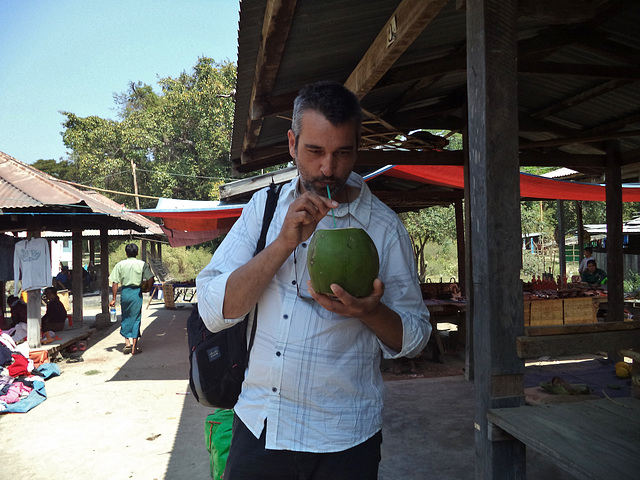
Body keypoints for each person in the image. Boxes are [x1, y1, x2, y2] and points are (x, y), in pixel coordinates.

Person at [196, 80, 431, 480]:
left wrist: (369, 313)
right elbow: (214, 312)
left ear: (358, 148)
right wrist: (283, 243)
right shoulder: (264, 209)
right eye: (315, 151)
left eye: (343, 153)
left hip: (346, 438)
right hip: (261, 426)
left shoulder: (384, 228)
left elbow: (415, 338)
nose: (328, 168)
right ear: (292, 144)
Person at [109, 243, 154, 355]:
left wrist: (114, 298)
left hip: (125, 293)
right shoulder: (141, 264)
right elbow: (151, 278)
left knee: (125, 316)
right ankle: (134, 347)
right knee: (136, 318)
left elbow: (115, 283)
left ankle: (127, 343)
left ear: (126, 253)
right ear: (137, 253)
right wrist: (148, 289)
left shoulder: (120, 264)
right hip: (136, 293)